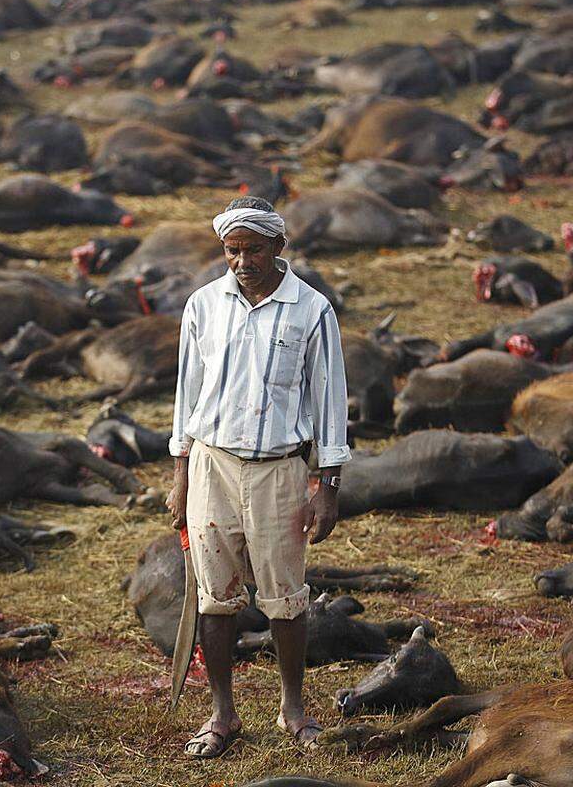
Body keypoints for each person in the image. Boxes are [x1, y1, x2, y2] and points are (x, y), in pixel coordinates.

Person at [166, 196, 351, 758]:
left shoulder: (312, 311)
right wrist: (180, 476)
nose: (241, 260)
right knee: (214, 595)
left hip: (280, 469)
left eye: (252, 249)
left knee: (285, 597)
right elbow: (186, 395)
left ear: (278, 248)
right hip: (213, 464)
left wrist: (328, 487)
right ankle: (222, 714)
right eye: (231, 250)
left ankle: (293, 709)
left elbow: (329, 402)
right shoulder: (203, 305)